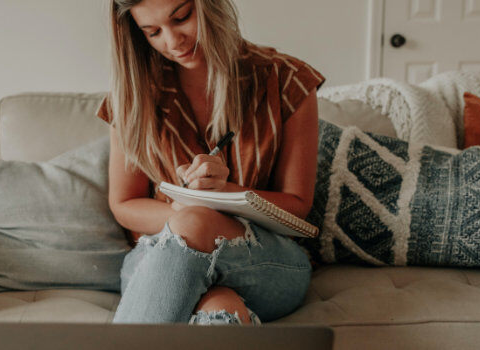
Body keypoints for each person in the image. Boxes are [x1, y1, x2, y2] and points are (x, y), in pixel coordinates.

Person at [98, 0, 325, 325]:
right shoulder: (132, 95)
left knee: (195, 224)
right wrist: (184, 213)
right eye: (153, 32)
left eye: (182, 17)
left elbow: (298, 207)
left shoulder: (286, 79)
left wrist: (225, 192)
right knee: (221, 309)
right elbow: (124, 204)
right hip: (156, 259)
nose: (173, 42)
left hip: (265, 263)